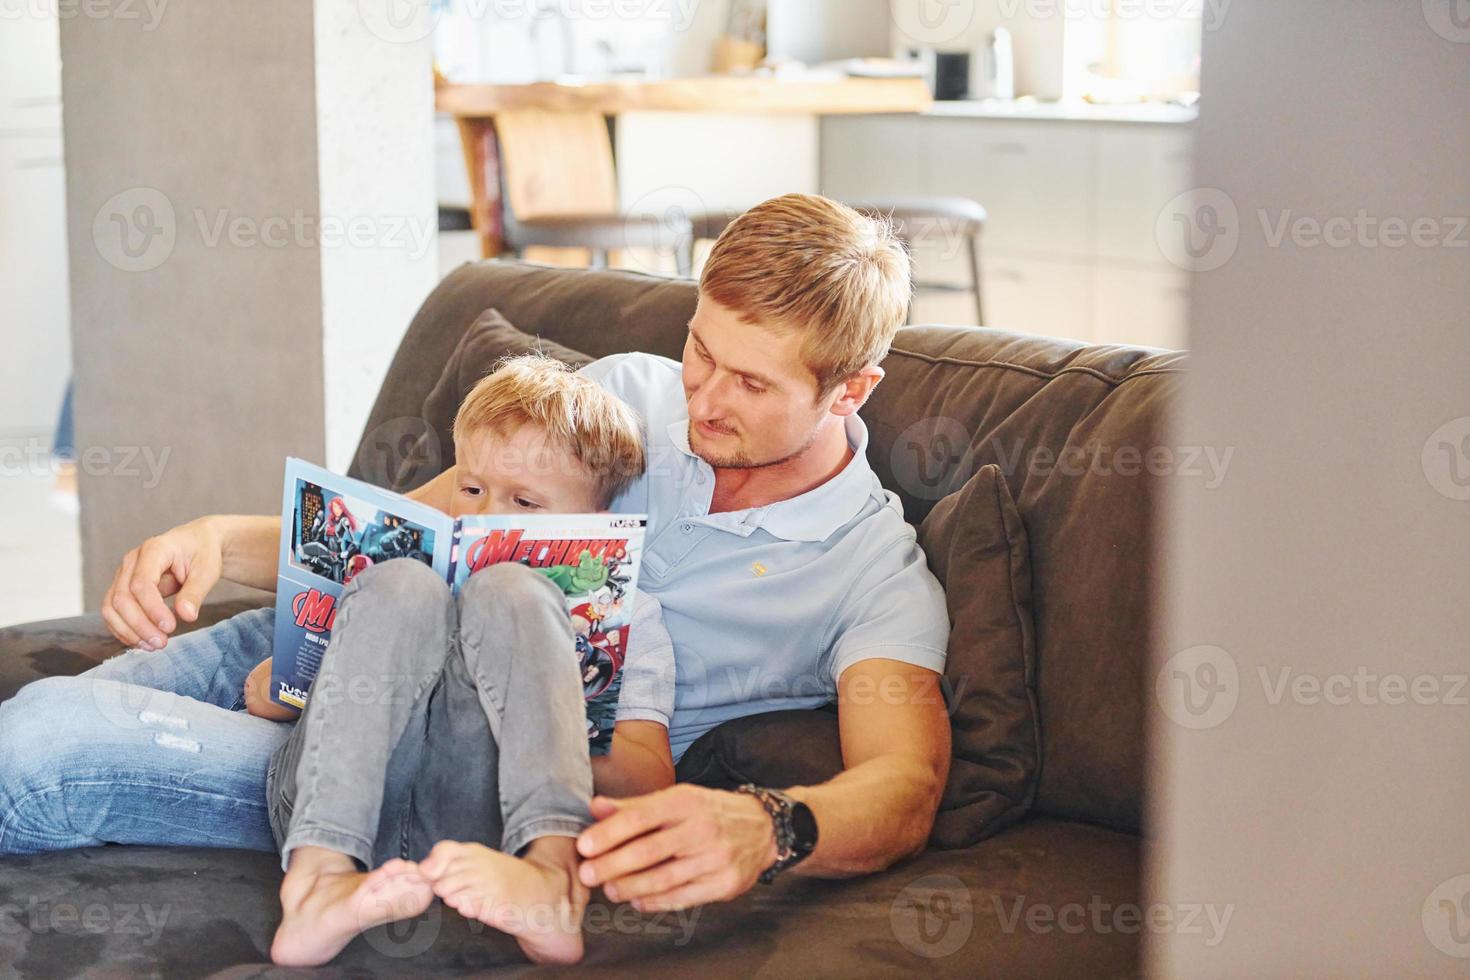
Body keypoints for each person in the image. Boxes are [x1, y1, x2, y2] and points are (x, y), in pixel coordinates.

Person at [1, 192, 953, 952]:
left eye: (751, 383)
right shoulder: (629, 389)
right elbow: (420, 525)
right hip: (357, 631)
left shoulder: (870, 566)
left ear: (851, 389)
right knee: (45, 712)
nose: (701, 399)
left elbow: (904, 785)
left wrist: (771, 827)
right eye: (702, 347)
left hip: (429, 751)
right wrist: (215, 540)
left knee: (38, 752)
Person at [0, 357, 674, 967]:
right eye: (470, 492)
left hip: (481, 812)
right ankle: (320, 881)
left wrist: (543, 714)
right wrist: (304, 688)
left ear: (596, 517)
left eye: (525, 504)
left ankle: (548, 880)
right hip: (334, 792)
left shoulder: (630, 617)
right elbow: (308, 693)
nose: (485, 519)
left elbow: (647, 776)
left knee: (513, 591)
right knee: (400, 583)